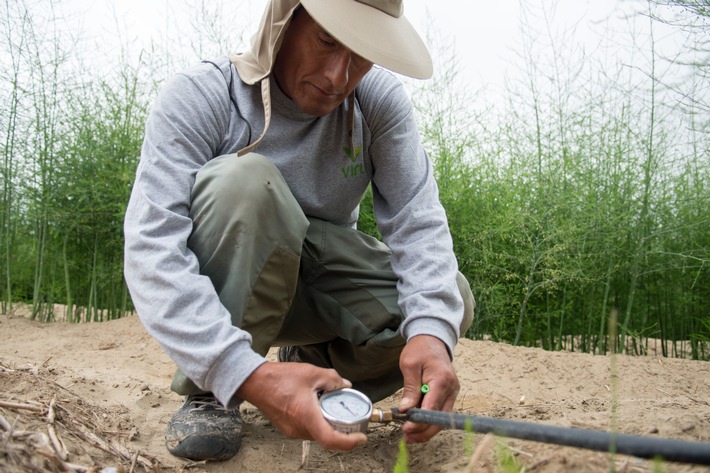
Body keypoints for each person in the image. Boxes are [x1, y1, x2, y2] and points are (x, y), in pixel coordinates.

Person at [123, 0, 475, 462]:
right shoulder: (202, 94)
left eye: (360, 53)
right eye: (327, 41)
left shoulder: (377, 102)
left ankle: (311, 371)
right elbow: (152, 245)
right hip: (230, 286)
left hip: (317, 279)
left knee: (448, 300)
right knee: (245, 181)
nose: (336, 77)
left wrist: (431, 333)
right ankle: (212, 393)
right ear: (283, 21)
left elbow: (417, 218)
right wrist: (239, 371)